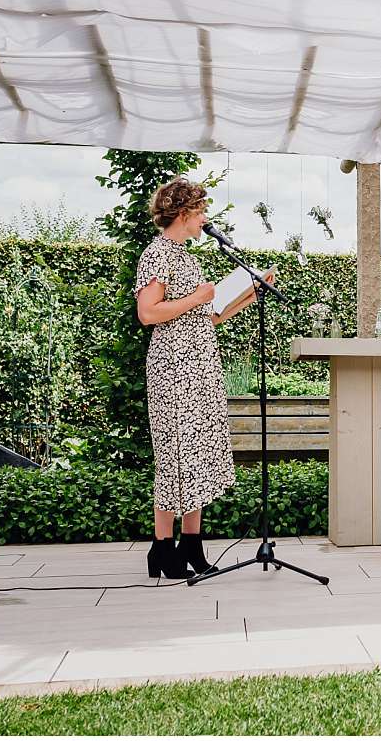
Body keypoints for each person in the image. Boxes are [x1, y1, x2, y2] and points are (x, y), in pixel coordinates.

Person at [134, 178, 264, 579]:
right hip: (173, 368)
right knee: (174, 456)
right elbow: (149, 313)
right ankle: (161, 548)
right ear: (185, 214)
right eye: (202, 211)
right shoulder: (158, 253)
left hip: (199, 365)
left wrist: (249, 295)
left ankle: (192, 545)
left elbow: (207, 316)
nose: (206, 219)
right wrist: (196, 297)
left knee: (197, 455)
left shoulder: (187, 257)